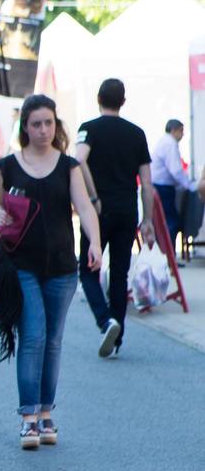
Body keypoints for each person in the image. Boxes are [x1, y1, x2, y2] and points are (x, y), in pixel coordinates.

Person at [0, 94, 102, 450]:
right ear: (25, 127)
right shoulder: (8, 165)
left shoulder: (69, 166)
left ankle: (47, 411)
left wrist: (95, 243)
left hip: (62, 266)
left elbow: (84, 206)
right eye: (36, 124)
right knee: (33, 337)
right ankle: (28, 417)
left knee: (53, 341)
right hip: (21, 263)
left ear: (57, 125)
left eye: (48, 123)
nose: (43, 130)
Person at [75, 78, 157, 358]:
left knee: (88, 269)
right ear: (123, 101)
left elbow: (79, 159)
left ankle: (105, 321)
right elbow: (147, 183)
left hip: (96, 211)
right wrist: (148, 221)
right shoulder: (137, 134)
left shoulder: (88, 129)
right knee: (120, 274)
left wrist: (93, 195)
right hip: (127, 209)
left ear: (98, 98)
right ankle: (117, 335)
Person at [151, 119, 192, 252]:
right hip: (163, 188)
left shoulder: (164, 142)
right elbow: (176, 170)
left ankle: (166, 255)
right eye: (181, 131)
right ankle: (169, 255)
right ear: (174, 130)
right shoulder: (170, 144)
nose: (182, 135)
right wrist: (189, 185)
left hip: (159, 186)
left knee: (164, 221)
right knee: (170, 222)